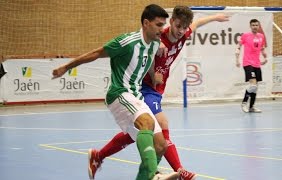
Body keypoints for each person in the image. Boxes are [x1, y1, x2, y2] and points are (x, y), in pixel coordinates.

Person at [88, 6, 229, 180]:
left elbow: (198, 23)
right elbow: (141, 42)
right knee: (161, 122)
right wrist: (156, 50)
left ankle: (98, 156)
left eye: (185, 27)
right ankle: (176, 170)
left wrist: (215, 17)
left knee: (136, 134)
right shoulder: (157, 37)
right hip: (142, 87)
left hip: (156, 90)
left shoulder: (184, 34)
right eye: (178, 26)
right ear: (171, 22)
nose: (181, 31)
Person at [52, 4, 179, 180]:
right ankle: (152, 175)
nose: (162, 29)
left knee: (160, 145)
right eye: (158, 24)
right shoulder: (126, 42)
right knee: (147, 122)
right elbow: (96, 53)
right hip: (119, 94)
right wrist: (66, 66)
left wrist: (154, 74)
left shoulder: (155, 43)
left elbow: (146, 62)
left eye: (163, 25)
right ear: (146, 23)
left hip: (136, 96)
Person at [235, 19, 268, 113]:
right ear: (250, 26)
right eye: (253, 25)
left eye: (256, 25)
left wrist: (265, 58)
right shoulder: (245, 36)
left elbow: (262, 48)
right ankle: (244, 103)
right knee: (253, 85)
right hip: (248, 63)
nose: (255, 27)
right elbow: (238, 47)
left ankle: (251, 107)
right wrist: (237, 60)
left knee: (255, 87)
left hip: (257, 64)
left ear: (259, 26)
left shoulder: (261, 36)